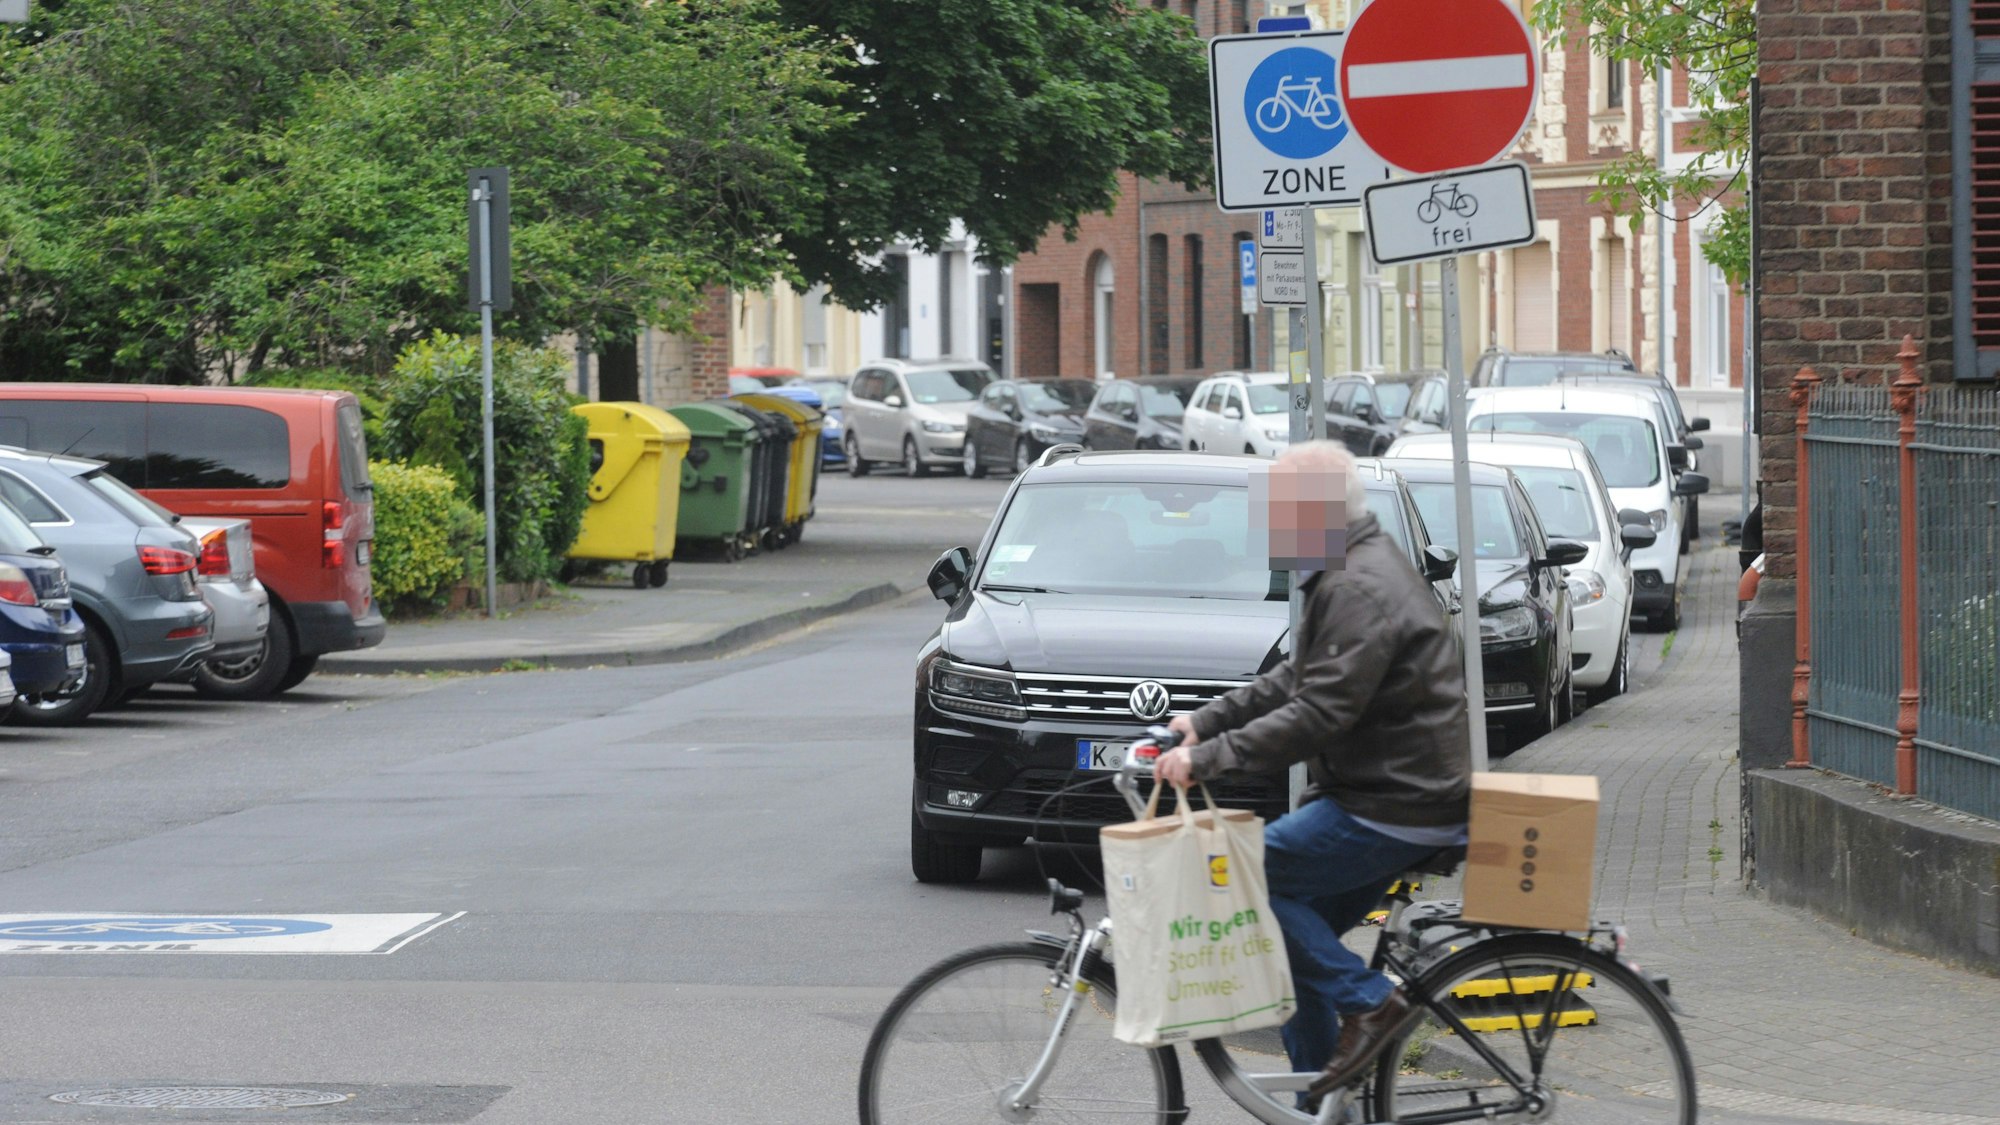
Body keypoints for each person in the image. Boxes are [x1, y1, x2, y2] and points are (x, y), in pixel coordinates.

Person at [1153, 440, 1471, 1102]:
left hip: (1392, 803)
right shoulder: (1355, 566)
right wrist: (1204, 722)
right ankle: (1322, 1106)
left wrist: (1206, 759)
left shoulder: (1356, 584)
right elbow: (1297, 677)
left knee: (1243, 873)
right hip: (1392, 793)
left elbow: (1319, 712)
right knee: (1294, 945)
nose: (1269, 523)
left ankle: (1370, 1001)